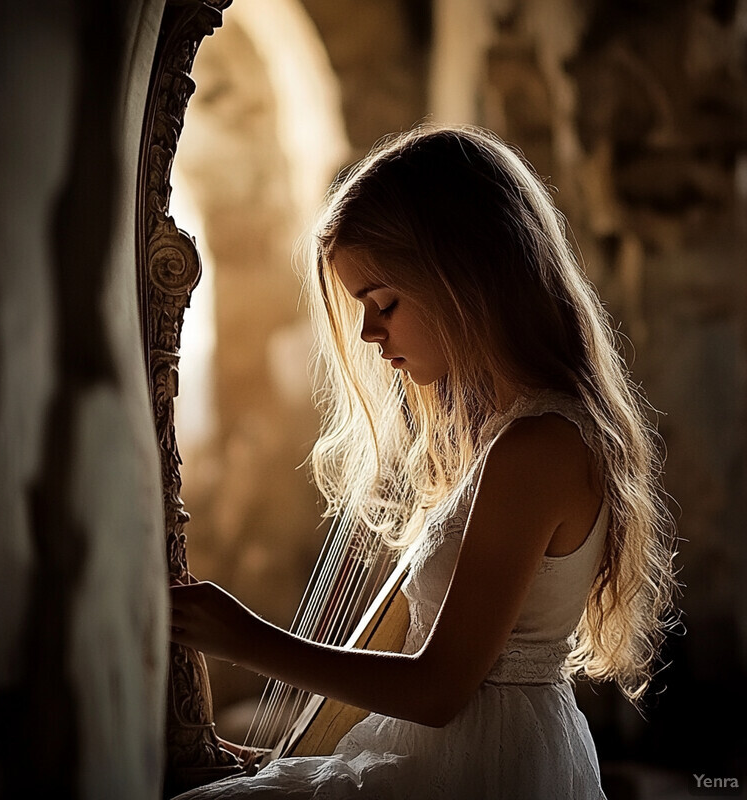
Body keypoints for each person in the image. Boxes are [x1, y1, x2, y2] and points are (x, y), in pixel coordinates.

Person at [168, 124, 679, 799]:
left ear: (463, 278)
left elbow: (438, 691)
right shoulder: (513, 436)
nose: (368, 332)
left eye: (383, 303)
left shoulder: (539, 446)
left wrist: (245, 639)